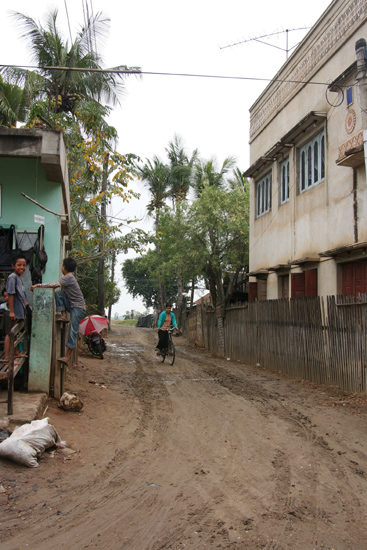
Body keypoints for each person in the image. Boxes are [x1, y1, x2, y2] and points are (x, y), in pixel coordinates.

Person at [30, 257, 86, 366]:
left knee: (72, 331)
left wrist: (38, 285)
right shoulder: (69, 277)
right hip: (72, 306)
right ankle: (64, 315)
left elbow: (54, 284)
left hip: (78, 308)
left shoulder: (68, 277)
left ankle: (67, 357)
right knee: (58, 293)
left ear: (64, 267)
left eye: (62, 265)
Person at [4, 254, 28, 364]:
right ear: (13, 266)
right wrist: (12, 311)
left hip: (19, 311)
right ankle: (7, 358)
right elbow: (11, 294)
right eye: (19, 265)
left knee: (16, 332)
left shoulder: (19, 278)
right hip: (15, 311)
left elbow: (21, 295)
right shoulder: (12, 277)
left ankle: (16, 353)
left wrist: (23, 312)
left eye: (24, 265)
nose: (22, 267)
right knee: (10, 334)